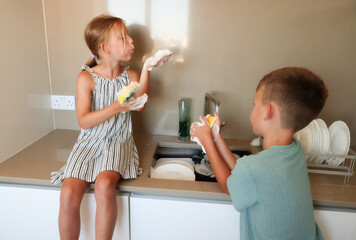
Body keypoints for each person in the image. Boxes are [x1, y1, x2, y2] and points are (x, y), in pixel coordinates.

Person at [51, 14, 171, 240]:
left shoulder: (130, 76)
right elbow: (84, 121)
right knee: (67, 192)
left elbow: (140, 104)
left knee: (105, 185)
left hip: (118, 140)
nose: (132, 42)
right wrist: (116, 107)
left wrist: (146, 68)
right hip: (88, 143)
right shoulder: (86, 78)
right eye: (123, 38)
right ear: (104, 48)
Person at [190, 67, 328, 240]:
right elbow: (245, 171)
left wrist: (207, 142)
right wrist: (216, 137)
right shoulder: (295, 150)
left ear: (268, 111)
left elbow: (229, 186)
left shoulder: (255, 169)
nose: (253, 108)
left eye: (254, 104)